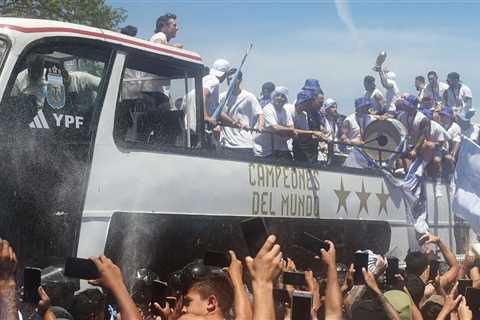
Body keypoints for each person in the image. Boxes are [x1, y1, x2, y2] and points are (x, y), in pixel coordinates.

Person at [219, 71, 264, 158]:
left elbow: (260, 113)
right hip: (227, 144)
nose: (230, 81)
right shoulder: (222, 97)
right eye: (228, 79)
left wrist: (261, 126)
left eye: (232, 79)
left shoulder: (249, 96)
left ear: (240, 80)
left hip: (244, 144)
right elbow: (220, 114)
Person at [254, 86, 295, 160]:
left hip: (279, 148)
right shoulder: (268, 109)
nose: (279, 98)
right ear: (273, 97)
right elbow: (275, 128)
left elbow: (292, 128)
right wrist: (285, 129)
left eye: (283, 96)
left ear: (285, 99)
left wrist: (282, 129)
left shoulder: (286, 111)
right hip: (264, 150)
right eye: (277, 95)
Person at [292, 90, 330, 163]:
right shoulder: (291, 109)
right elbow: (292, 130)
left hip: (312, 148)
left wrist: (321, 138)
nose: (321, 105)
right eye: (320, 102)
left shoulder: (306, 115)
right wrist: (314, 133)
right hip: (300, 148)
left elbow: (307, 133)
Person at [438, 107, 461, 192]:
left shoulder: (456, 127)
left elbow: (457, 142)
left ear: (450, 117)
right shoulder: (439, 125)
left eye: (445, 116)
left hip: (449, 151)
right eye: (442, 115)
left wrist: (453, 155)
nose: (442, 117)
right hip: (439, 150)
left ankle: (451, 179)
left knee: (449, 159)